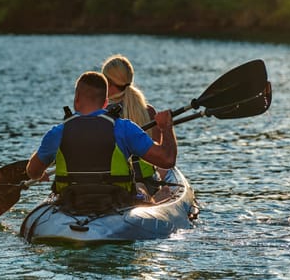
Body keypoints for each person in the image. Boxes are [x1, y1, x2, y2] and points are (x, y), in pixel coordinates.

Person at [26, 71, 177, 201]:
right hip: (117, 201)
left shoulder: (57, 132)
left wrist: (41, 173)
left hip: (71, 201)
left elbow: (32, 172)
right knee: (151, 193)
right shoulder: (125, 128)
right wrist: (166, 128)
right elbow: (167, 160)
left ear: (76, 98)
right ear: (105, 103)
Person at [101, 54, 170, 192]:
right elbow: (160, 157)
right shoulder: (149, 112)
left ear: (106, 83)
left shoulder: (100, 114)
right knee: (164, 189)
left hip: (111, 185)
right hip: (148, 182)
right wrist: (166, 128)